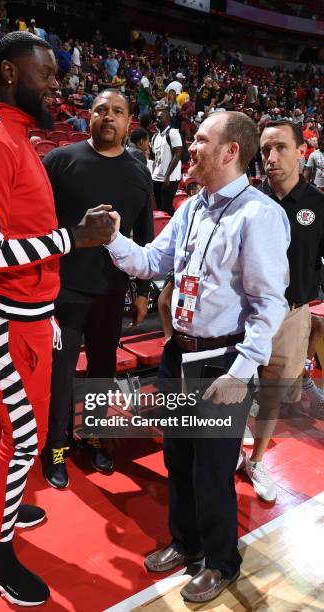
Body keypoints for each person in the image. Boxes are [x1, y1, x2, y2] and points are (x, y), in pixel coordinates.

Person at [0, 32, 116, 607]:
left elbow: (21, 232)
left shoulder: (17, 136)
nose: (56, 85)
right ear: (7, 73)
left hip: (29, 316)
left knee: (8, 425)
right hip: (1, 320)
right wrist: (76, 237)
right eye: (46, 74)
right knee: (25, 438)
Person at [105, 111, 290, 603]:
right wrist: (113, 238)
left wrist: (240, 370)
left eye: (201, 139)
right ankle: (185, 544)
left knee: (212, 470)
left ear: (231, 152)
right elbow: (150, 262)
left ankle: (221, 560)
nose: (191, 146)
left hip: (220, 361)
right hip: (177, 354)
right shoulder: (190, 209)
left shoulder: (260, 215)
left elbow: (268, 304)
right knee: (178, 458)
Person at [42, 89, 154, 489]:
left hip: (112, 290)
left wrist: (142, 291)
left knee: (101, 373)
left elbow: (144, 235)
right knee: (60, 375)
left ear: (129, 121)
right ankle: (55, 447)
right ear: (88, 116)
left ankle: (92, 437)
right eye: (101, 110)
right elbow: (36, 224)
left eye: (118, 111)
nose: (109, 117)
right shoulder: (59, 160)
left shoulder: (140, 170)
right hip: (64, 288)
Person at [237, 120, 324, 502]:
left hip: (292, 313)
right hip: (243, 311)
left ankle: (256, 460)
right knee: (232, 388)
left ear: (301, 152)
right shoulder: (247, 199)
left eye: (280, 148)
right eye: (265, 149)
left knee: (271, 395)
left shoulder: (319, 204)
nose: (270, 158)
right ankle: (229, 454)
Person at [151, 108, 182, 216]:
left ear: (168, 119)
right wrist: (152, 174)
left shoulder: (173, 133)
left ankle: (176, 229)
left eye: (160, 117)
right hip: (156, 177)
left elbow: (177, 154)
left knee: (166, 206)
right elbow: (155, 158)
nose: (157, 120)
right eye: (156, 118)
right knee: (159, 207)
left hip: (170, 178)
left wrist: (167, 176)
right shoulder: (155, 136)